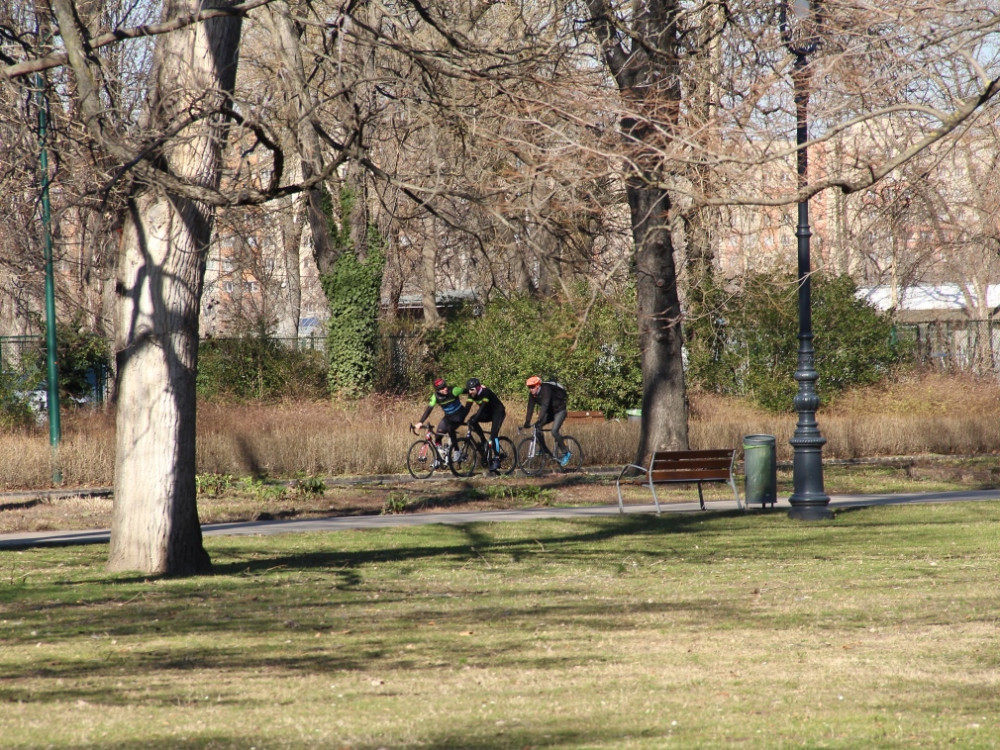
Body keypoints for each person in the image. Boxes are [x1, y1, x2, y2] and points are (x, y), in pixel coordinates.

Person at [522, 375, 570, 466]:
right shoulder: (532, 394)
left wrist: (540, 419)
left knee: (554, 431)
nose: (530, 389)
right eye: (529, 387)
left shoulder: (546, 389)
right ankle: (544, 449)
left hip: (560, 410)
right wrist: (527, 421)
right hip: (550, 412)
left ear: (537, 386)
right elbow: (530, 407)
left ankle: (566, 452)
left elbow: (545, 405)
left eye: (532, 387)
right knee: (537, 427)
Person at [413, 378, 467, 454]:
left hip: (460, 414)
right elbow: (429, 409)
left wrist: (479, 387)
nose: (445, 389)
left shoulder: (454, 390)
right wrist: (420, 422)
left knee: (450, 428)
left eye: (445, 386)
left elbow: (469, 391)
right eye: (442, 388)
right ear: (437, 390)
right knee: (438, 435)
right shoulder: (435, 396)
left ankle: (456, 451)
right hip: (449, 417)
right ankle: (440, 457)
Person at [465, 377, 507, 472]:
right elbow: (467, 408)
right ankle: (484, 441)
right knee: (471, 420)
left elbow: (482, 407)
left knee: (493, 435)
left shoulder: (485, 392)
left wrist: (475, 418)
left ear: (478, 387)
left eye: (472, 389)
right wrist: (462, 418)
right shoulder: (471, 395)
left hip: (498, 412)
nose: (470, 392)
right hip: (488, 413)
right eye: (469, 390)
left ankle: (497, 458)